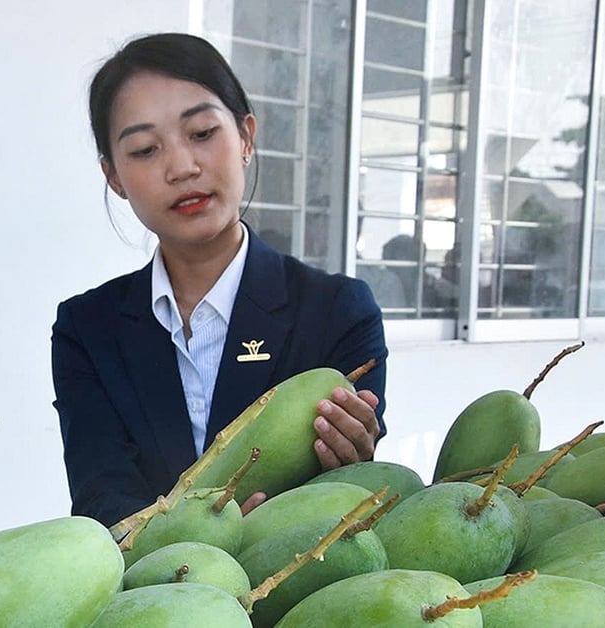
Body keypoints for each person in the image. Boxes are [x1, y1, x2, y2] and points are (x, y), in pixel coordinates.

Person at [51, 33, 388, 529]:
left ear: (246, 137)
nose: (183, 167)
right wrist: (198, 542)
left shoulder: (338, 311)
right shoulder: (87, 328)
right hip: (148, 594)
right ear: (114, 177)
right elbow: (102, 498)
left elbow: (345, 502)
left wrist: (354, 465)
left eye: (203, 133)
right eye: (145, 149)